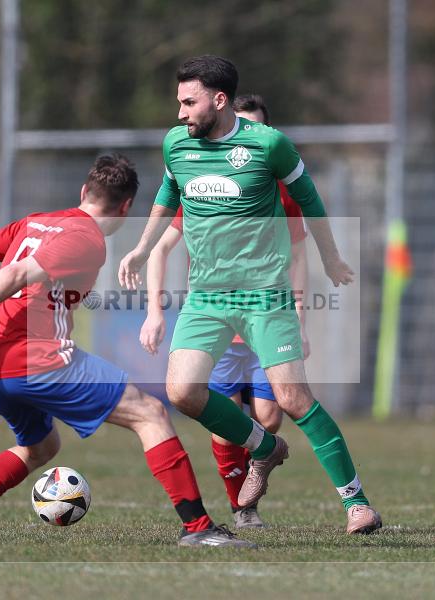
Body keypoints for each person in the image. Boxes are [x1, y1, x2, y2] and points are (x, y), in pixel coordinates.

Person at [0, 154, 254, 548]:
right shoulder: (85, 238)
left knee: (40, 447)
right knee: (150, 414)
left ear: (83, 191)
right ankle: (198, 529)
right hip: (37, 358)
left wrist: (0, 311)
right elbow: (12, 274)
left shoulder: (34, 220)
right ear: (126, 206)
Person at [118, 56, 382, 535]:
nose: (180, 113)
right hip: (206, 298)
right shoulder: (177, 144)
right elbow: (168, 194)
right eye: (178, 102)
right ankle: (265, 447)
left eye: (188, 102)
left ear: (219, 101)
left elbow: (310, 200)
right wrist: (140, 248)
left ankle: (357, 503)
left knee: (293, 398)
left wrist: (331, 257)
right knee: (182, 392)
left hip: (264, 294)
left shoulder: (268, 145)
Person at [139, 94, 310, 529]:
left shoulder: (279, 193)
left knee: (272, 415)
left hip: (267, 320)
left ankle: (262, 461)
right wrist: (154, 312)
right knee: (222, 424)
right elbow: (161, 247)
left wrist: (301, 318)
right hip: (221, 326)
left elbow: (298, 258)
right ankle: (243, 508)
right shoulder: (205, 190)